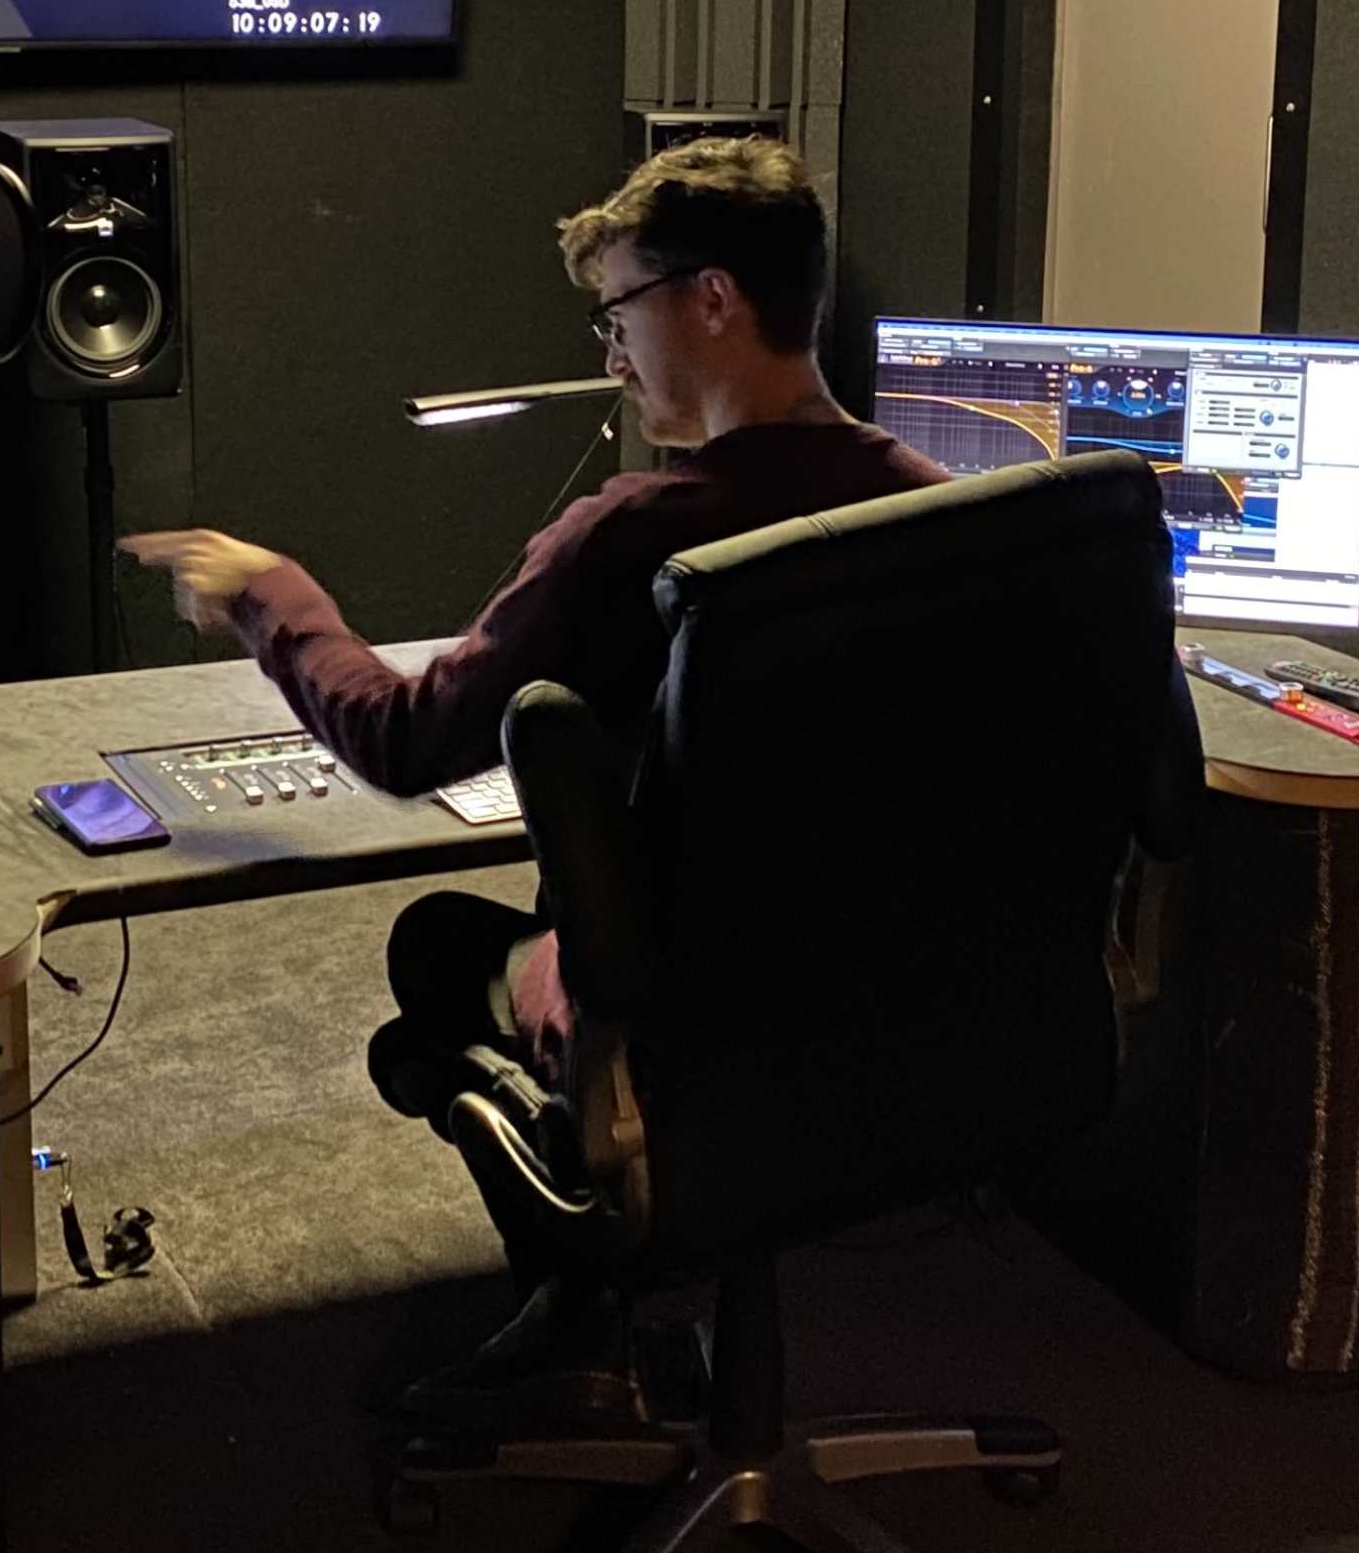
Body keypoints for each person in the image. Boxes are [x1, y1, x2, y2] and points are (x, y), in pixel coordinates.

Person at [120, 138, 945, 1419]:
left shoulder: (632, 536)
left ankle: (591, 1307)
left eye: (619, 313)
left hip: (699, 1007)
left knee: (438, 951)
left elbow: (402, 740)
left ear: (713, 301)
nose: (611, 353)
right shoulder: (946, 514)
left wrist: (266, 594)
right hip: (904, 993)